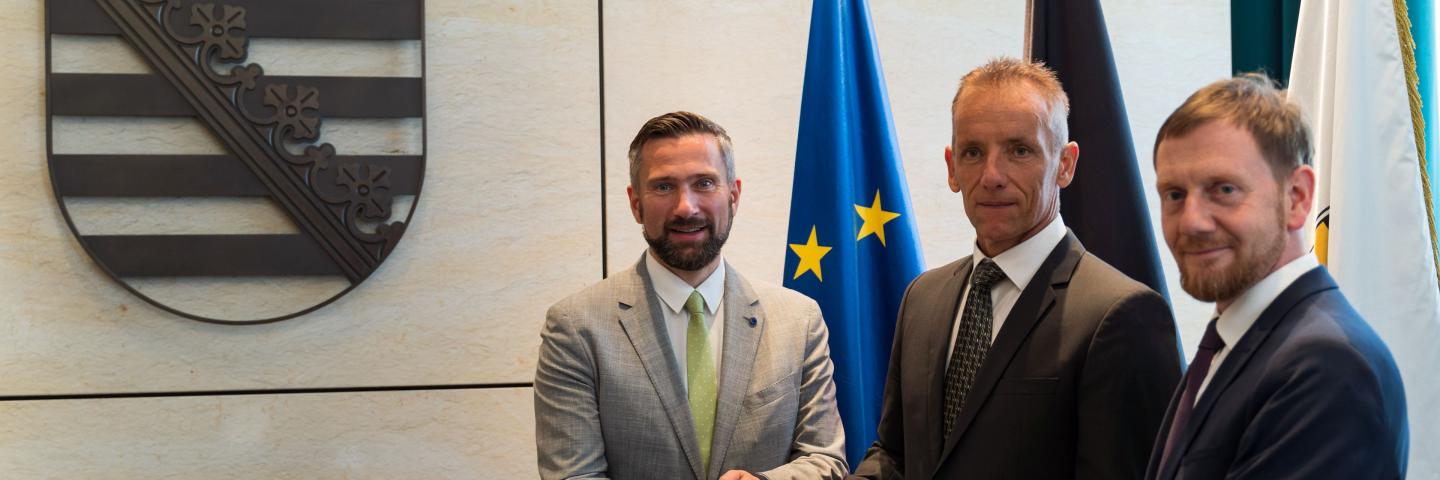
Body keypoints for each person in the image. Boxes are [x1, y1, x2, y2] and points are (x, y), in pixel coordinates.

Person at [851, 57, 1182, 480]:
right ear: (952, 168)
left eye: (1019, 150)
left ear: (1065, 164)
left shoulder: (1121, 315)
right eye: (974, 152)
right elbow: (895, 456)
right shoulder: (922, 298)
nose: (992, 176)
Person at [534, 111, 847, 480]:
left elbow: (825, 459)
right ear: (636, 203)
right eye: (664, 187)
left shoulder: (799, 320)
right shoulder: (575, 328)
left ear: (734, 195)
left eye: (704, 183)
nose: (686, 207)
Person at [1145, 74, 1408, 479]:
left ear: (1296, 198)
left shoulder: (1327, 366)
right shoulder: (1234, 341)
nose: (1192, 221)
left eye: (1224, 189)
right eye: (1174, 195)